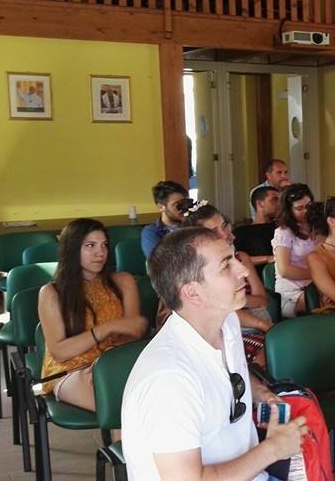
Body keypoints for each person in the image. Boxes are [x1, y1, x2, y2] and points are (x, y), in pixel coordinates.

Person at [122, 227, 307, 479]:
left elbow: (228, 372)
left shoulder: (226, 321)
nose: (243, 270)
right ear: (192, 292)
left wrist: (260, 393)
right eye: (226, 265)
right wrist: (273, 449)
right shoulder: (169, 379)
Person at [38, 219, 147, 411]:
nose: (100, 252)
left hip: (114, 361)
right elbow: (60, 352)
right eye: (90, 245)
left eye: (104, 245)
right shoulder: (51, 292)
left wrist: (107, 359)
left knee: (145, 396)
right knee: (115, 404)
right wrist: (107, 328)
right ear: (72, 250)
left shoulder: (123, 281)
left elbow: (135, 330)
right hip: (69, 370)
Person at [183, 201, 272, 365]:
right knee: (267, 351)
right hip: (225, 331)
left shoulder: (242, 258)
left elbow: (262, 300)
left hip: (257, 322)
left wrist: (232, 299)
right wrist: (242, 304)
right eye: (213, 232)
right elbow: (218, 309)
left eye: (224, 226)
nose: (224, 234)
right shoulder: (199, 271)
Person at [272, 183, 319, 318]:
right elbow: (285, 270)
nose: (306, 211)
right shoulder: (283, 232)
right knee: (328, 300)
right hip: (291, 293)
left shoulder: (318, 227)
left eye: (308, 206)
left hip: (316, 286)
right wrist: (319, 275)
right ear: (289, 210)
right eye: (299, 208)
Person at [233, 186, 280, 268]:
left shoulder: (282, 228)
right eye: (275, 200)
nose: (279, 204)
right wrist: (268, 258)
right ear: (260, 203)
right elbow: (236, 259)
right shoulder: (241, 232)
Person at [141, 180, 189, 258]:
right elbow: (158, 260)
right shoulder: (151, 232)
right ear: (161, 207)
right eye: (177, 204)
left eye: (184, 203)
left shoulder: (191, 225)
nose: (183, 208)